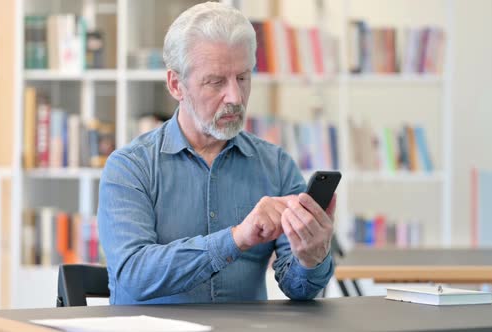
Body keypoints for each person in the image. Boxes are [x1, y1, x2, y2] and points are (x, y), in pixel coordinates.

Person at [98, 1, 336, 304]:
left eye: (243, 78)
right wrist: (236, 238)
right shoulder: (130, 168)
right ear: (176, 85)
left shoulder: (276, 165)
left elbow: (299, 289)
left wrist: (311, 258)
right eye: (216, 82)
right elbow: (133, 275)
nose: (235, 97)